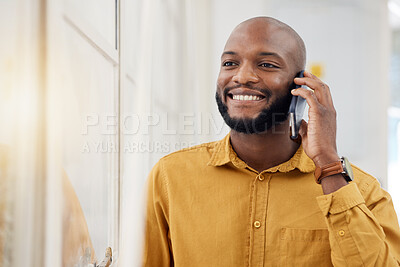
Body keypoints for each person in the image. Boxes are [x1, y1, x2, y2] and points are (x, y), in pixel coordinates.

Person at [143, 17, 400, 266]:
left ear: (301, 85)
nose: (242, 76)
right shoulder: (170, 177)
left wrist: (329, 165)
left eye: (266, 65)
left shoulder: (364, 194)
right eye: (230, 63)